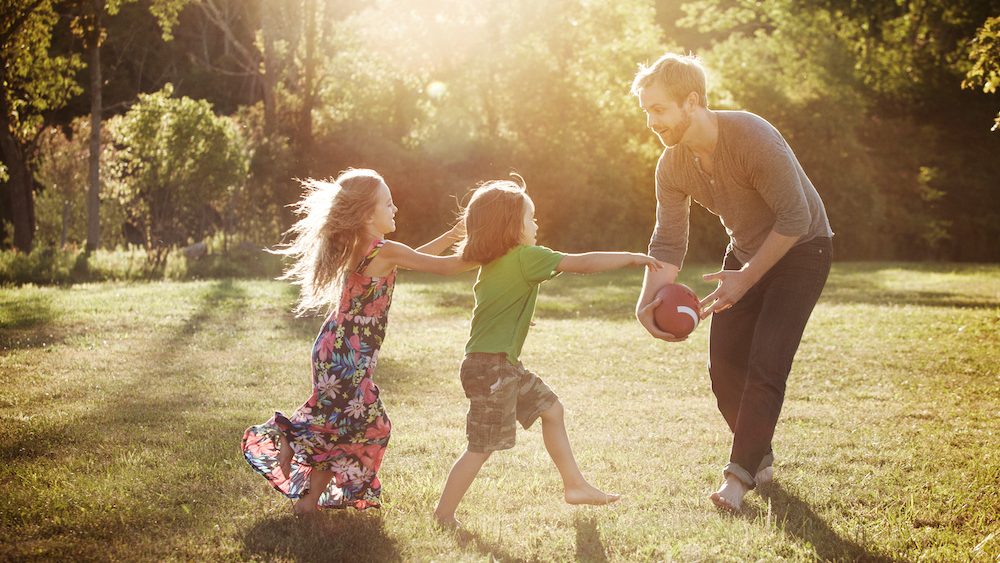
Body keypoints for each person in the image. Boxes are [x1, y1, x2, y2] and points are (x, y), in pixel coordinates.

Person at [630, 53, 833, 511]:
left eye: (658, 109)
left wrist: (745, 280)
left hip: (803, 250)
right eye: (646, 111)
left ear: (691, 101)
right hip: (743, 252)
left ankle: (737, 478)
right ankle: (758, 454)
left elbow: (796, 217)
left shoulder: (750, 136)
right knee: (724, 371)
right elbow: (668, 240)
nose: (651, 122)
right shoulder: (672, 166)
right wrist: (646, 302)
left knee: (766, 363)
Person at [432, 177, 665, 528]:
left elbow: (501, 302)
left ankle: (575, 486)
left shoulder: (493, 259)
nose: (536, 224)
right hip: (492, 368)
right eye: (530, 217)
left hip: (499, 365)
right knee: (481, 447)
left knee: (552, 410)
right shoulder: (527, 257)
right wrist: (630, 258)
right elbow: (582, 263)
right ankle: (443, 514)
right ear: (511, 225)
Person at [242, 168, 468, 516]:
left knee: (341, 429)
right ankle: (287, 436)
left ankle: (308, 502)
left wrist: (453, 234)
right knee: (372, 427)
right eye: (388, 204)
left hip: (335, 348)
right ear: (366, 214)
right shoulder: (385, 250)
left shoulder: (368, 248)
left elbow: (415, 258)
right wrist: (496, 248)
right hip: (348, 355)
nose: (395, 209)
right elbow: (445, 267)